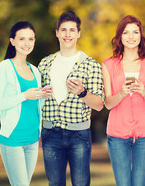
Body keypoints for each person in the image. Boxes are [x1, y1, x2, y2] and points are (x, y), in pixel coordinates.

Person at [38, 11, 104, 186]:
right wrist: (38, 128)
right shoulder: (45, 64)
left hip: (79, 136)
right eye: (64, 30)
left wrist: (83, 92)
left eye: (72, 30)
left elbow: (99, 104)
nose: (67, 34)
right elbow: (38, 101)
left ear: (78, 33)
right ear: (57, 32)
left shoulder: (91, 65)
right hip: (50, 133)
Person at [102, 15, 145, 186]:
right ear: (120, 36)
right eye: (126, 32)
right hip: (117, 133)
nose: (131, 36)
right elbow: (108, 103)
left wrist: (143, 91)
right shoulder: (108, 65)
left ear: (141, 36)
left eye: (135, 32)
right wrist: (121, 93)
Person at [0, 21, 51, 186]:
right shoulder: (5, 68)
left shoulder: (35, 71)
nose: (27, 43)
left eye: (31, 39)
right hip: (12, 139)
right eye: (22, 39)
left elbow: (35, 106)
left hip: (32, 139)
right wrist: (24, 95)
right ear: (12, 41)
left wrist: (44, 95)